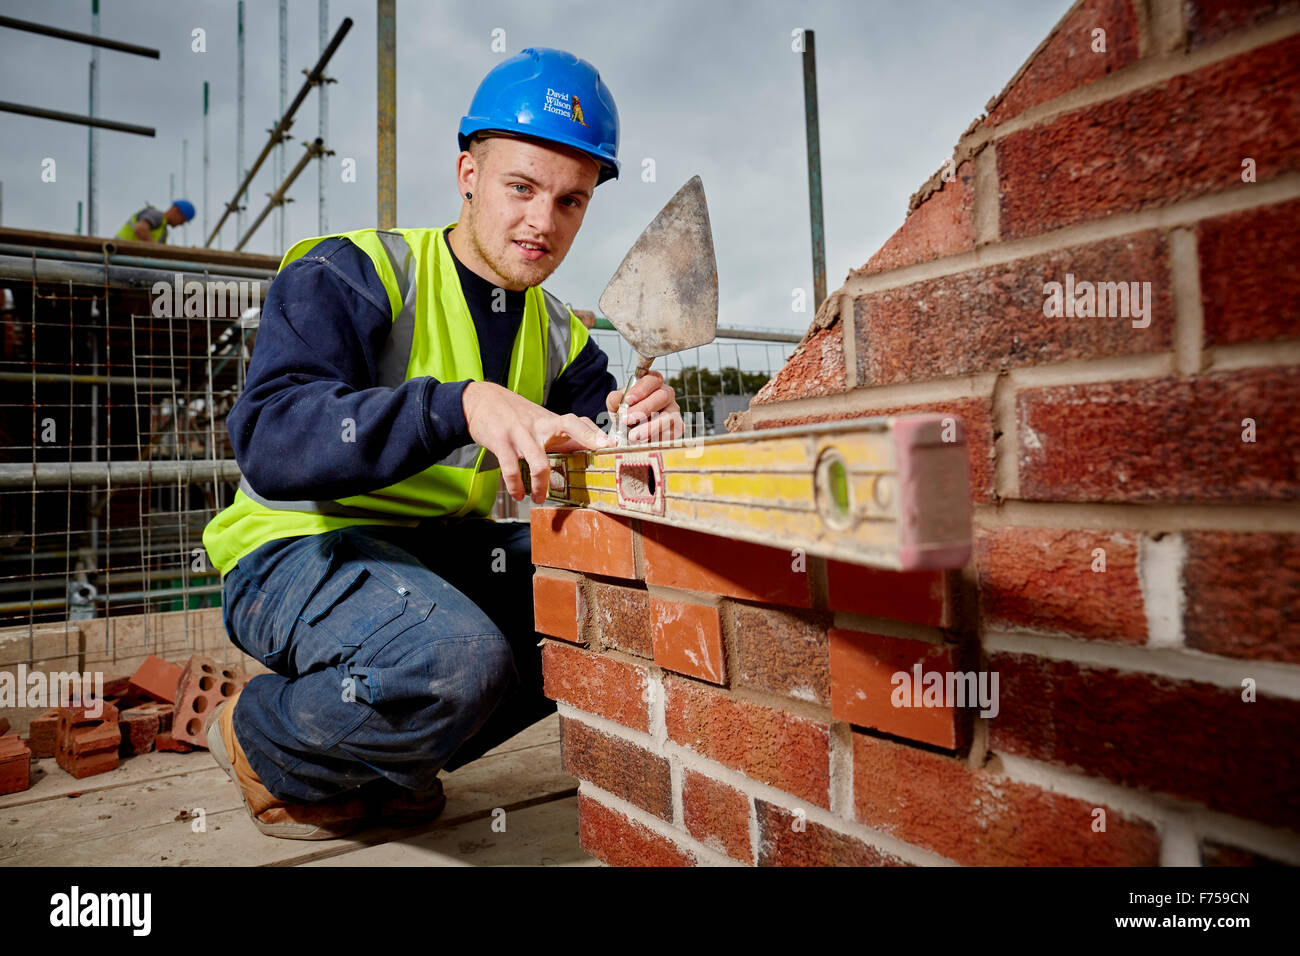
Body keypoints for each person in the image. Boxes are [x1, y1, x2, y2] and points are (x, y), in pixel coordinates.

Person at [199, 48, 684, 840]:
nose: (542, 222)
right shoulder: (356, 272)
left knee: (608, 600)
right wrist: (458, 405)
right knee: (452, 658)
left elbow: (601, 443)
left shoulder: (562, 336)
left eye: (571, 201)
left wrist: (641, 424)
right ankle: (263, 738)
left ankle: (388, 761)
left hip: (430, 560)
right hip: (294, 550)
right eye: (520, 188)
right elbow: (272, 438)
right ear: (468, 173)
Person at [115, 200, 194, 243]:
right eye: (182, 220)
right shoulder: (157, 215)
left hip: (129, 260)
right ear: (176, 211)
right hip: (119, 253)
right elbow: (140, 229)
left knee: (176, 273)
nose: (181, 224)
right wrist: (154, 248)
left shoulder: (163, 231)